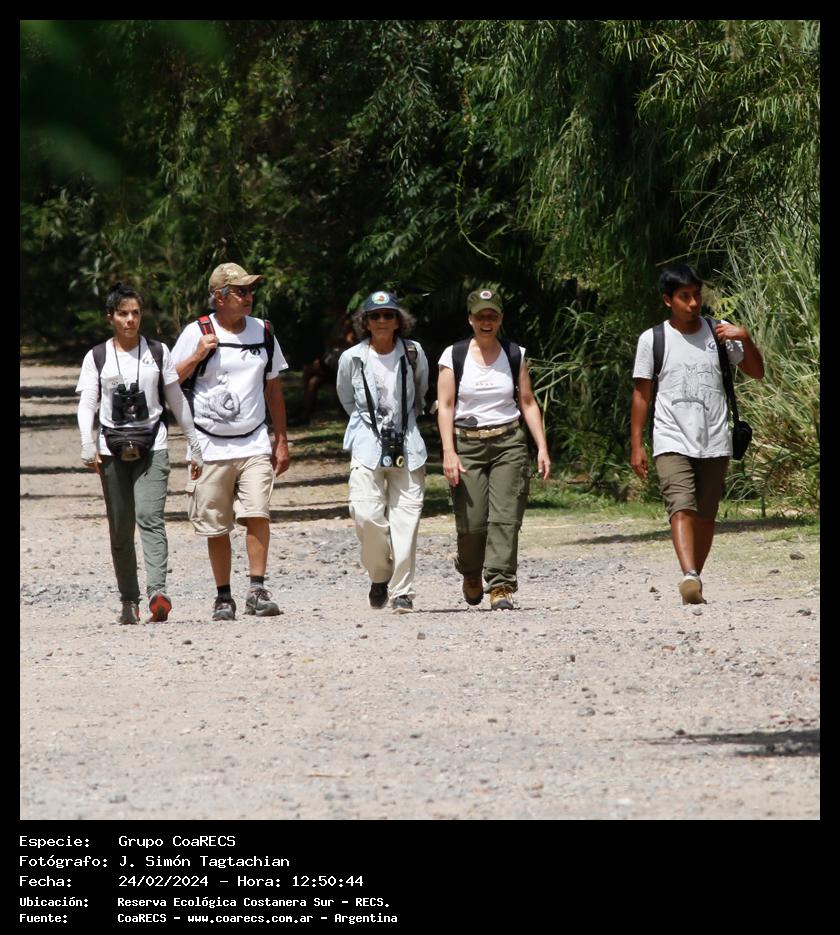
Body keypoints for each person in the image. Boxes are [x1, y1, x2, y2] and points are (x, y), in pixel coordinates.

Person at [630, 263, 764, 604]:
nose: (693, 303)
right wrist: (636, 444)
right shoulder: (653, 339)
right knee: (681, 507)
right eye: (684, 296)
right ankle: (688, 573)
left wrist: (745, 338)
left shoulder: (719, 333)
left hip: (715, 438)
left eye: (696, 295)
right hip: (671, 437)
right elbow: (642, 394)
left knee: (706, 516)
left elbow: (756, 372)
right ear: (668, 300)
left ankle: (694, 579)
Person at [76, 282, 204, 624]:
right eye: (123, 314)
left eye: (135, 313)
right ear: (110, 318)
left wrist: (194, 444)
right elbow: (88, 402)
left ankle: (157, 593)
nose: (130, 320)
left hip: (153, 445)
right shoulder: (97, 357)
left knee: (150, 517)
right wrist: (87, 443)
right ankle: (128, 600)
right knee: (120, 528)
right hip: (111, 448)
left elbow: (176, 399)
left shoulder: (158, 352)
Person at [171, 263, 291, 621]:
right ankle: (223, 596)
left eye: (250, 291)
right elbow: (169, 381)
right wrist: (197, 355)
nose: (249, 297)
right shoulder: (197, 332)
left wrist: (281, 440)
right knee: (217, 523)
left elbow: (273, 388)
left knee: (257, 513)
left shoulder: (264, 331)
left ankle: (257, 589)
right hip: (208, 446)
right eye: (241, 291)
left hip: (253, 442)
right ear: (220, 297)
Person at [437, 288, 551, 610]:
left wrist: (542, 447)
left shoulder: (514, 354)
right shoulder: (453, 356)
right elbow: (445, 406)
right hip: (467, 444)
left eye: (492, 316)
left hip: (508, 443)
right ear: (470, 319)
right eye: (480, 316)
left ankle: (501, 584)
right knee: (472, 523)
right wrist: (449, 451)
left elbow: (527, 402)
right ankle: (471, 571)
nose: (486, 322)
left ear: (500, 319)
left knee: (506, 518)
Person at [336, 290, 429, 613]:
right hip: (367, 443)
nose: (382, 321)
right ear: (365, 322)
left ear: (398, 320)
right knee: (365, 515)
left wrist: (403, 424)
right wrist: (371, 427)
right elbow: (347, 399)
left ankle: (402, 591)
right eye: (374, 316)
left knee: (406, 520)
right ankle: (380, 574)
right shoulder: (352, 358)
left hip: (408, 442)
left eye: (388, 315)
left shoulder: (414, 353)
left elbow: (420, 392)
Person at [298, 309, 356, 424]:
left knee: (309, 369)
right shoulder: (336, 324)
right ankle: (305, 412)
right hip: (332, 364)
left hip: (339, 368)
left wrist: (336, 341)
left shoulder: (350, 327)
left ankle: (303, 409)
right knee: (313, 382)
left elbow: (350, 343)